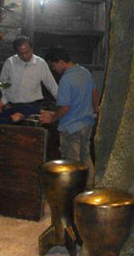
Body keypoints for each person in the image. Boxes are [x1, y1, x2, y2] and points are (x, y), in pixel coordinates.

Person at [40, 46, 99, 186]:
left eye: (53, 65)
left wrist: (52, 118)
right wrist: (94, 108)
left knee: (71, 164)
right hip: (87, 124)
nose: (54, 69)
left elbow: (65, 108)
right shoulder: (85, 72)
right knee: (86, 157)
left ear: (60, 62)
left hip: (71, 128)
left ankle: (74, 192)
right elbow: (94, 94)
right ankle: (90, 188)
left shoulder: (66, 80)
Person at [0, 35, 58, 110]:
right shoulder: (10, 63)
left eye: (27, 52)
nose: (25, 56)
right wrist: (4, 102)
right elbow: (2, 84)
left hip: (33, 106)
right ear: (16, 52)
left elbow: (52, 86)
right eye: (21, 54)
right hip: (12, 105)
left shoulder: (41, 63)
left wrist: (63, 103)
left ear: (32, 49)